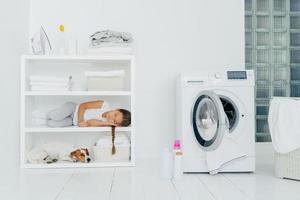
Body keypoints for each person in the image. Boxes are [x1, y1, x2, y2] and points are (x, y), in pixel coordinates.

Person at [46, 100, 131, 128]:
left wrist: (107, 123)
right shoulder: (104, 105)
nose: (111, 118)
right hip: (74, 109)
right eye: (115, 114)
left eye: (114, 121)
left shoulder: (105, 122)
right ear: (117, 109)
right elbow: (83, 105)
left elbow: (90, 122)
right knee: (56, 116)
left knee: (53, 124)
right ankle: (45, 115)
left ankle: (45, 118)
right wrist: (80, 120)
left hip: (73, 122)